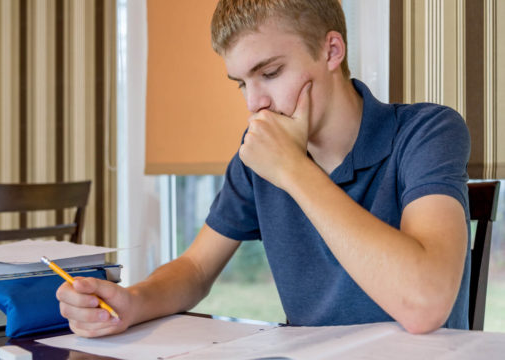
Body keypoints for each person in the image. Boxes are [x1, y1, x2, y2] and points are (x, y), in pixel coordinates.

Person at [56, 0, 471, 337]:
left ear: (332, 51)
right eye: (241, 82)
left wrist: (294, 170)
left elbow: (425, 305)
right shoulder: (258, 157)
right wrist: (134, 302)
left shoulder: (427, 131)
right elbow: (197, 268)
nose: (254, 103)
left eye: (270, 73)